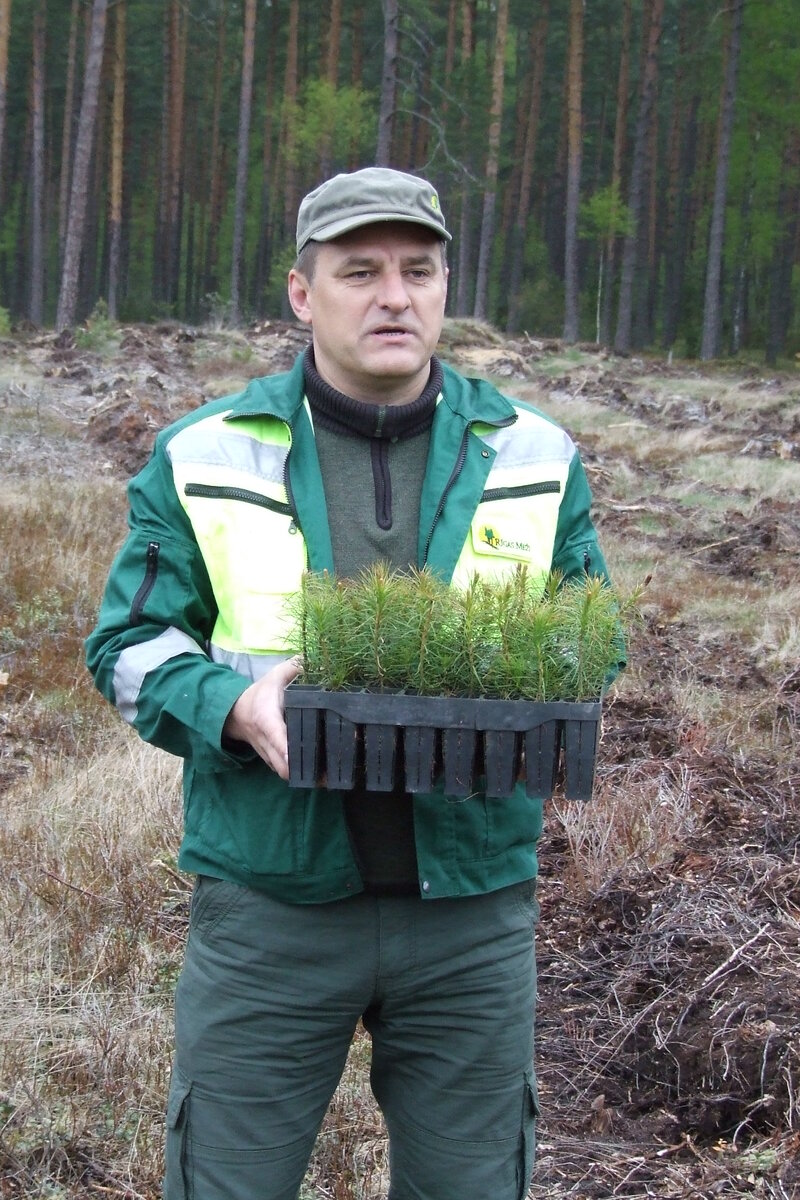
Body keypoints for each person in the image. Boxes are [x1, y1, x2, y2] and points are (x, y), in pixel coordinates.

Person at [86, 166, 619, 1200]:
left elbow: (590, 636)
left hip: (469, 907)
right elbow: (130, 645)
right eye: (359, 271)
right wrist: (234, 706)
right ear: (302, 292)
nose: (393, 296)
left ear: (444, 286)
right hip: (270, 903)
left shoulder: (533, 452)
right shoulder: (204, 452)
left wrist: (540, 675)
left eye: (417, 271)